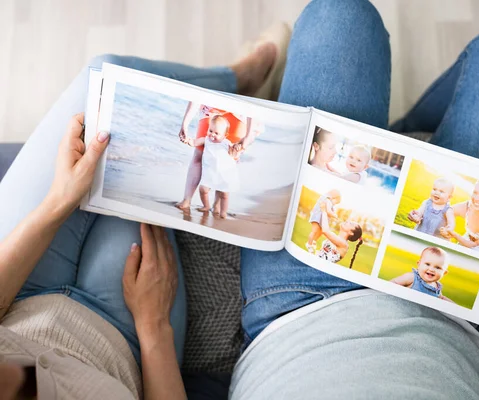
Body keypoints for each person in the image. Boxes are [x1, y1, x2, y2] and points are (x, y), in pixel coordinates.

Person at [3, 1, 479, 400]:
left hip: (297, 297)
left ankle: (394, 125)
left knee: (340, 15)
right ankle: (413, 134)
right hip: (467, 316)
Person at [0, 27, 282, 398]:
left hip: (20, 288)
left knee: (104, 76)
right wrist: (154, 329)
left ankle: (238, 80)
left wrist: (58, 202)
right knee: (142, 174)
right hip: (123, 331)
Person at [174, 103, 262, 212]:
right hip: (211, 106)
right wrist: (185, 124)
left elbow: (251, 103)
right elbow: (196, 96)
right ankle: (187, 200)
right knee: (198, 154)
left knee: (229, 159)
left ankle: (217, 204)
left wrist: (248, 135)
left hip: (241, 113)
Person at [183, 115, 240, 218]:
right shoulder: (206, 140)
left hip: (223, 174)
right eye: (210, 130)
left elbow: (234, 154)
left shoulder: (226, 143)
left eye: (217, 133)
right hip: (209, 172)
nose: (212, 134)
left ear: (225, 135)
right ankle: (206, 206)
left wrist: (236, 148)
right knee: (203, 190)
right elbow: (195, 142)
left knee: (224, 194)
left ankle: (223, 212)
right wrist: (188, 140)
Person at [439, 180, 479, 255]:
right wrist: (450, 225)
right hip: (466, 242)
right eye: (475, 193)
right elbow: (447, 210)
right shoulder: (468, 207)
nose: (476, 198)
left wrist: (454, 235)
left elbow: (475, 245)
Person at [314, 202, 363, 268]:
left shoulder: (344, 245)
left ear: (351, 233)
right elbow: (323, 227)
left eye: (351, 224)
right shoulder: (334, 237)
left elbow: (325, 230)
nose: (347, 221)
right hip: (316, 264)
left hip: (320, 269)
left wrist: (324, 211)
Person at [306, 189, 341, 254]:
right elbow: (328, 211)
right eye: (335, 202)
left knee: (321, 231)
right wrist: (335, 216)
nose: (335, 204)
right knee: (314, 231)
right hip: (317, 217)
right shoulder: (328, 201)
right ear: (333, 198)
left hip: (320, 218)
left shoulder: (328, 201)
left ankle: (314, 241)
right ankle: (309, 245)